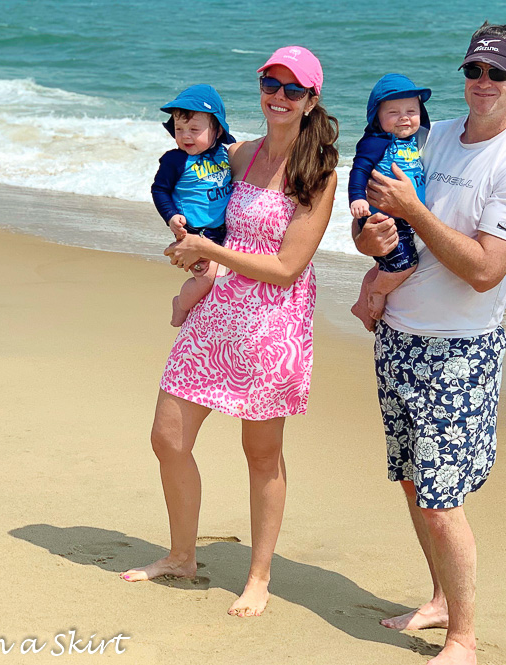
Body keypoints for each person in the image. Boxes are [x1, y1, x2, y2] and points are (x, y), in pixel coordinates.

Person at [354, 22, 506, 665]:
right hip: (398, 336)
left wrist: (414, 212)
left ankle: (464, 638)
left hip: (459, 350)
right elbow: (374, 232)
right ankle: (439, 600)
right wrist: (374, 244)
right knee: (412, 483)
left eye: (498, 73)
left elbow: (484, 269)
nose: (483, 84)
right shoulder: (428, 136)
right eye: (475, 72)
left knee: (443, 500)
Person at [121, 46, 339, 619]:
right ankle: (182, 556)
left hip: (273, 323)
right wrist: (183, 238)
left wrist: (210, 250)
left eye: (293, 89)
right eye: (271, 83)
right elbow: (188, 179)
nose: (280, 96)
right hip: (218, 310)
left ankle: (260, 577)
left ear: (312, 98)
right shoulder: (239, 155)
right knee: (168, 437)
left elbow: (289, 267)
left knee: (261, 454)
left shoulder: (318, 174)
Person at [348, 74, 431, 331]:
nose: (404, 117)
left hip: (402, 218)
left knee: (386, 263)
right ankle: (376, 293)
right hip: (381, 219)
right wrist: (357, 198)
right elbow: (359, 169)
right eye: (393, 112)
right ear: (377, 118)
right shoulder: (377, 142)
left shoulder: (413, 141)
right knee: (405, 264)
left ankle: (362, 304)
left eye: (411, 110)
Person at [150, 84, 236, 327]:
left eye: (194, 129)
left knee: (228, 277)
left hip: (223, 233)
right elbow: (160, 190)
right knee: (206, 278)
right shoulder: (175, 160)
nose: (185, 135)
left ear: (217, 130)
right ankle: (181, 304)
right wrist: (171, 216)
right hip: (195, 233)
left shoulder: (225, 155)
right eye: (179, 129)